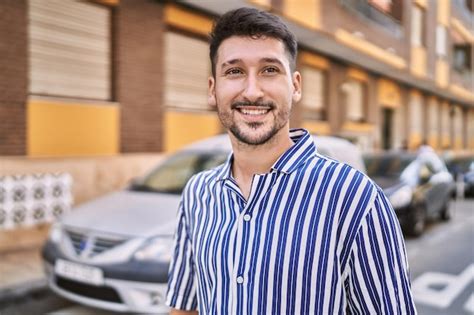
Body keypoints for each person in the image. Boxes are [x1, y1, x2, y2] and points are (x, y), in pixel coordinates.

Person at [166, 7, 416, 315]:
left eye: (270, 70)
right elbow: (185, 307)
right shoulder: (197, 193)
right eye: (234, 71)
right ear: (212, 90)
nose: (252, 91)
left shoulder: (355, 199)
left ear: (295, 85)